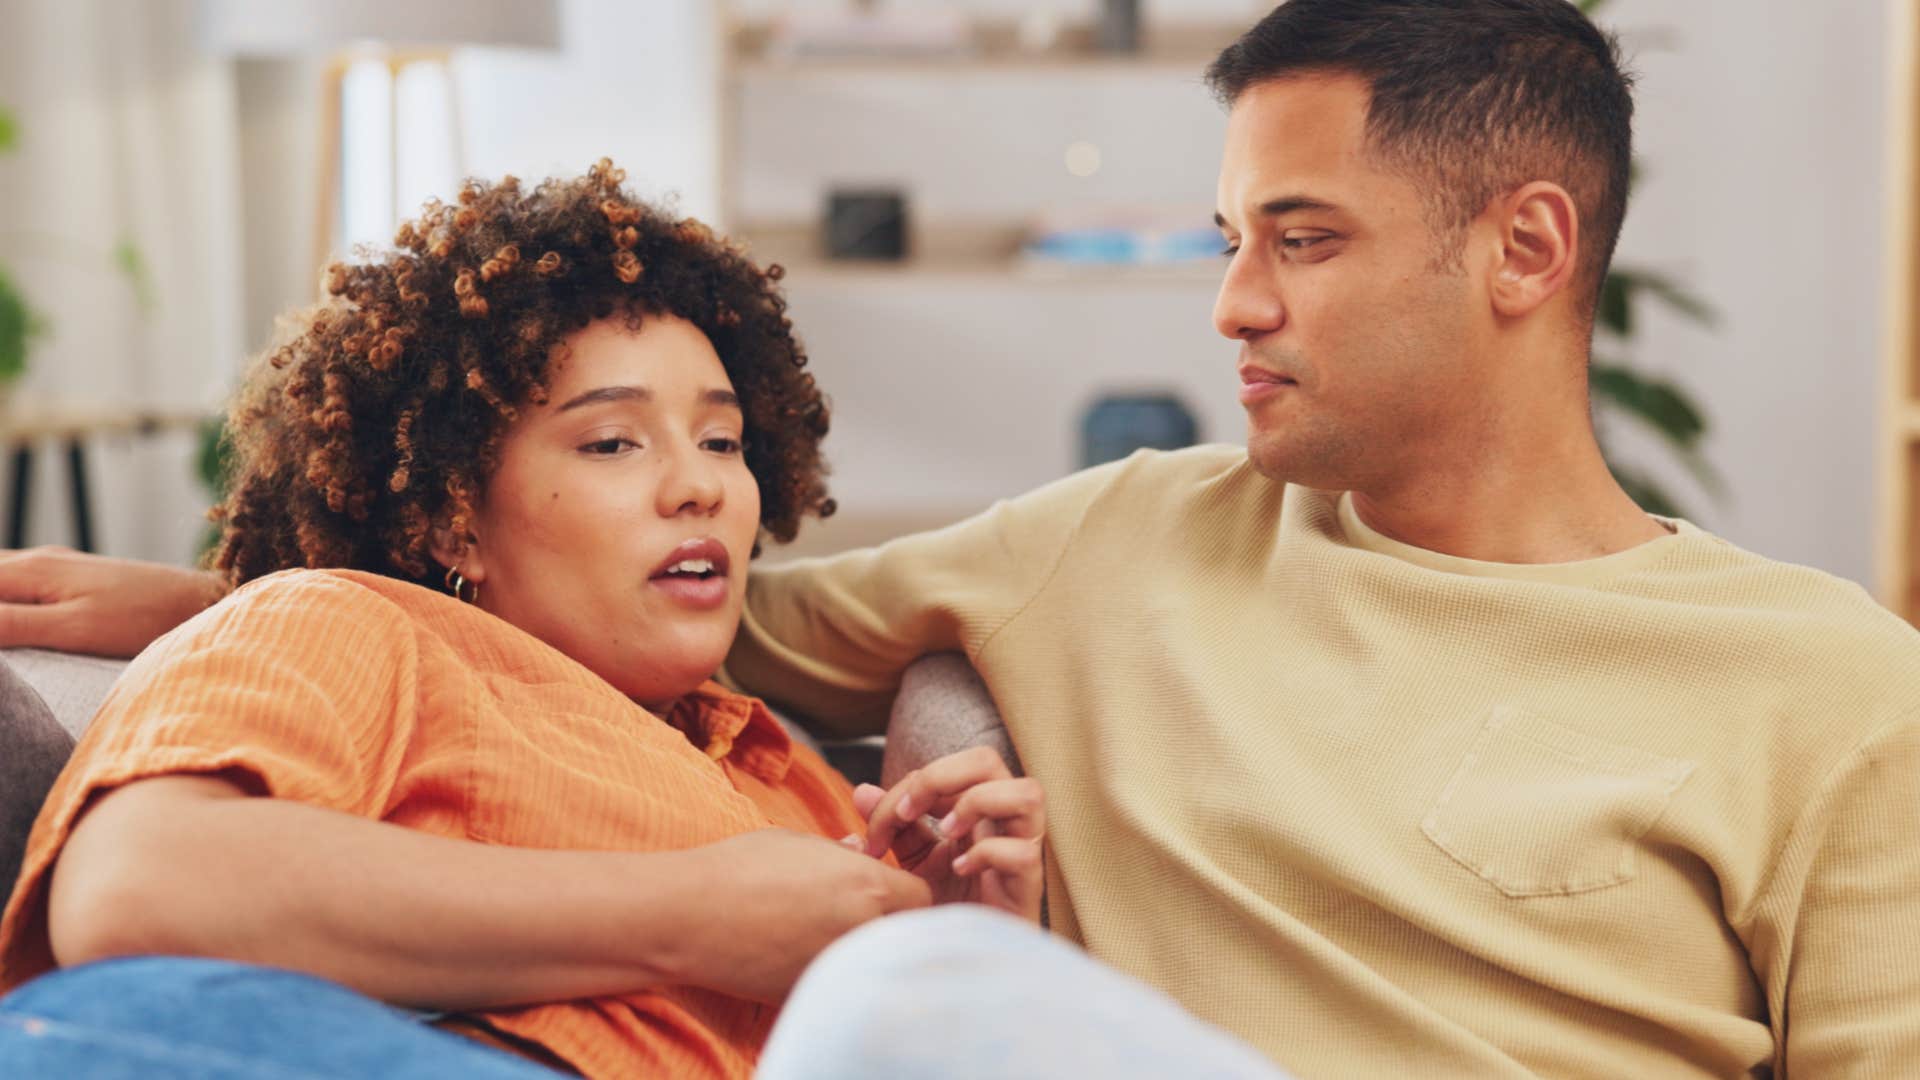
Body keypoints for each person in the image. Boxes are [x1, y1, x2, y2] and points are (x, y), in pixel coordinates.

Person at [6, 0, 1919, 1075]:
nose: (1235, 305)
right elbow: (670, 626)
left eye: (1302, 240)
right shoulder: (1119, 538)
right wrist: (244, 599)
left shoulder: (1825, 686)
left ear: (1525, 251)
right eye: (1227, 240)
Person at [0, 161, 1048, 1079]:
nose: (700, 488)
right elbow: (135, 886)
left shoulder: (790, 773)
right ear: (454, 519)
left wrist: (957, 947)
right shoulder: (351, 626)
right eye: (612, 445)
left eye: (723, 442)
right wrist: (688, 915)